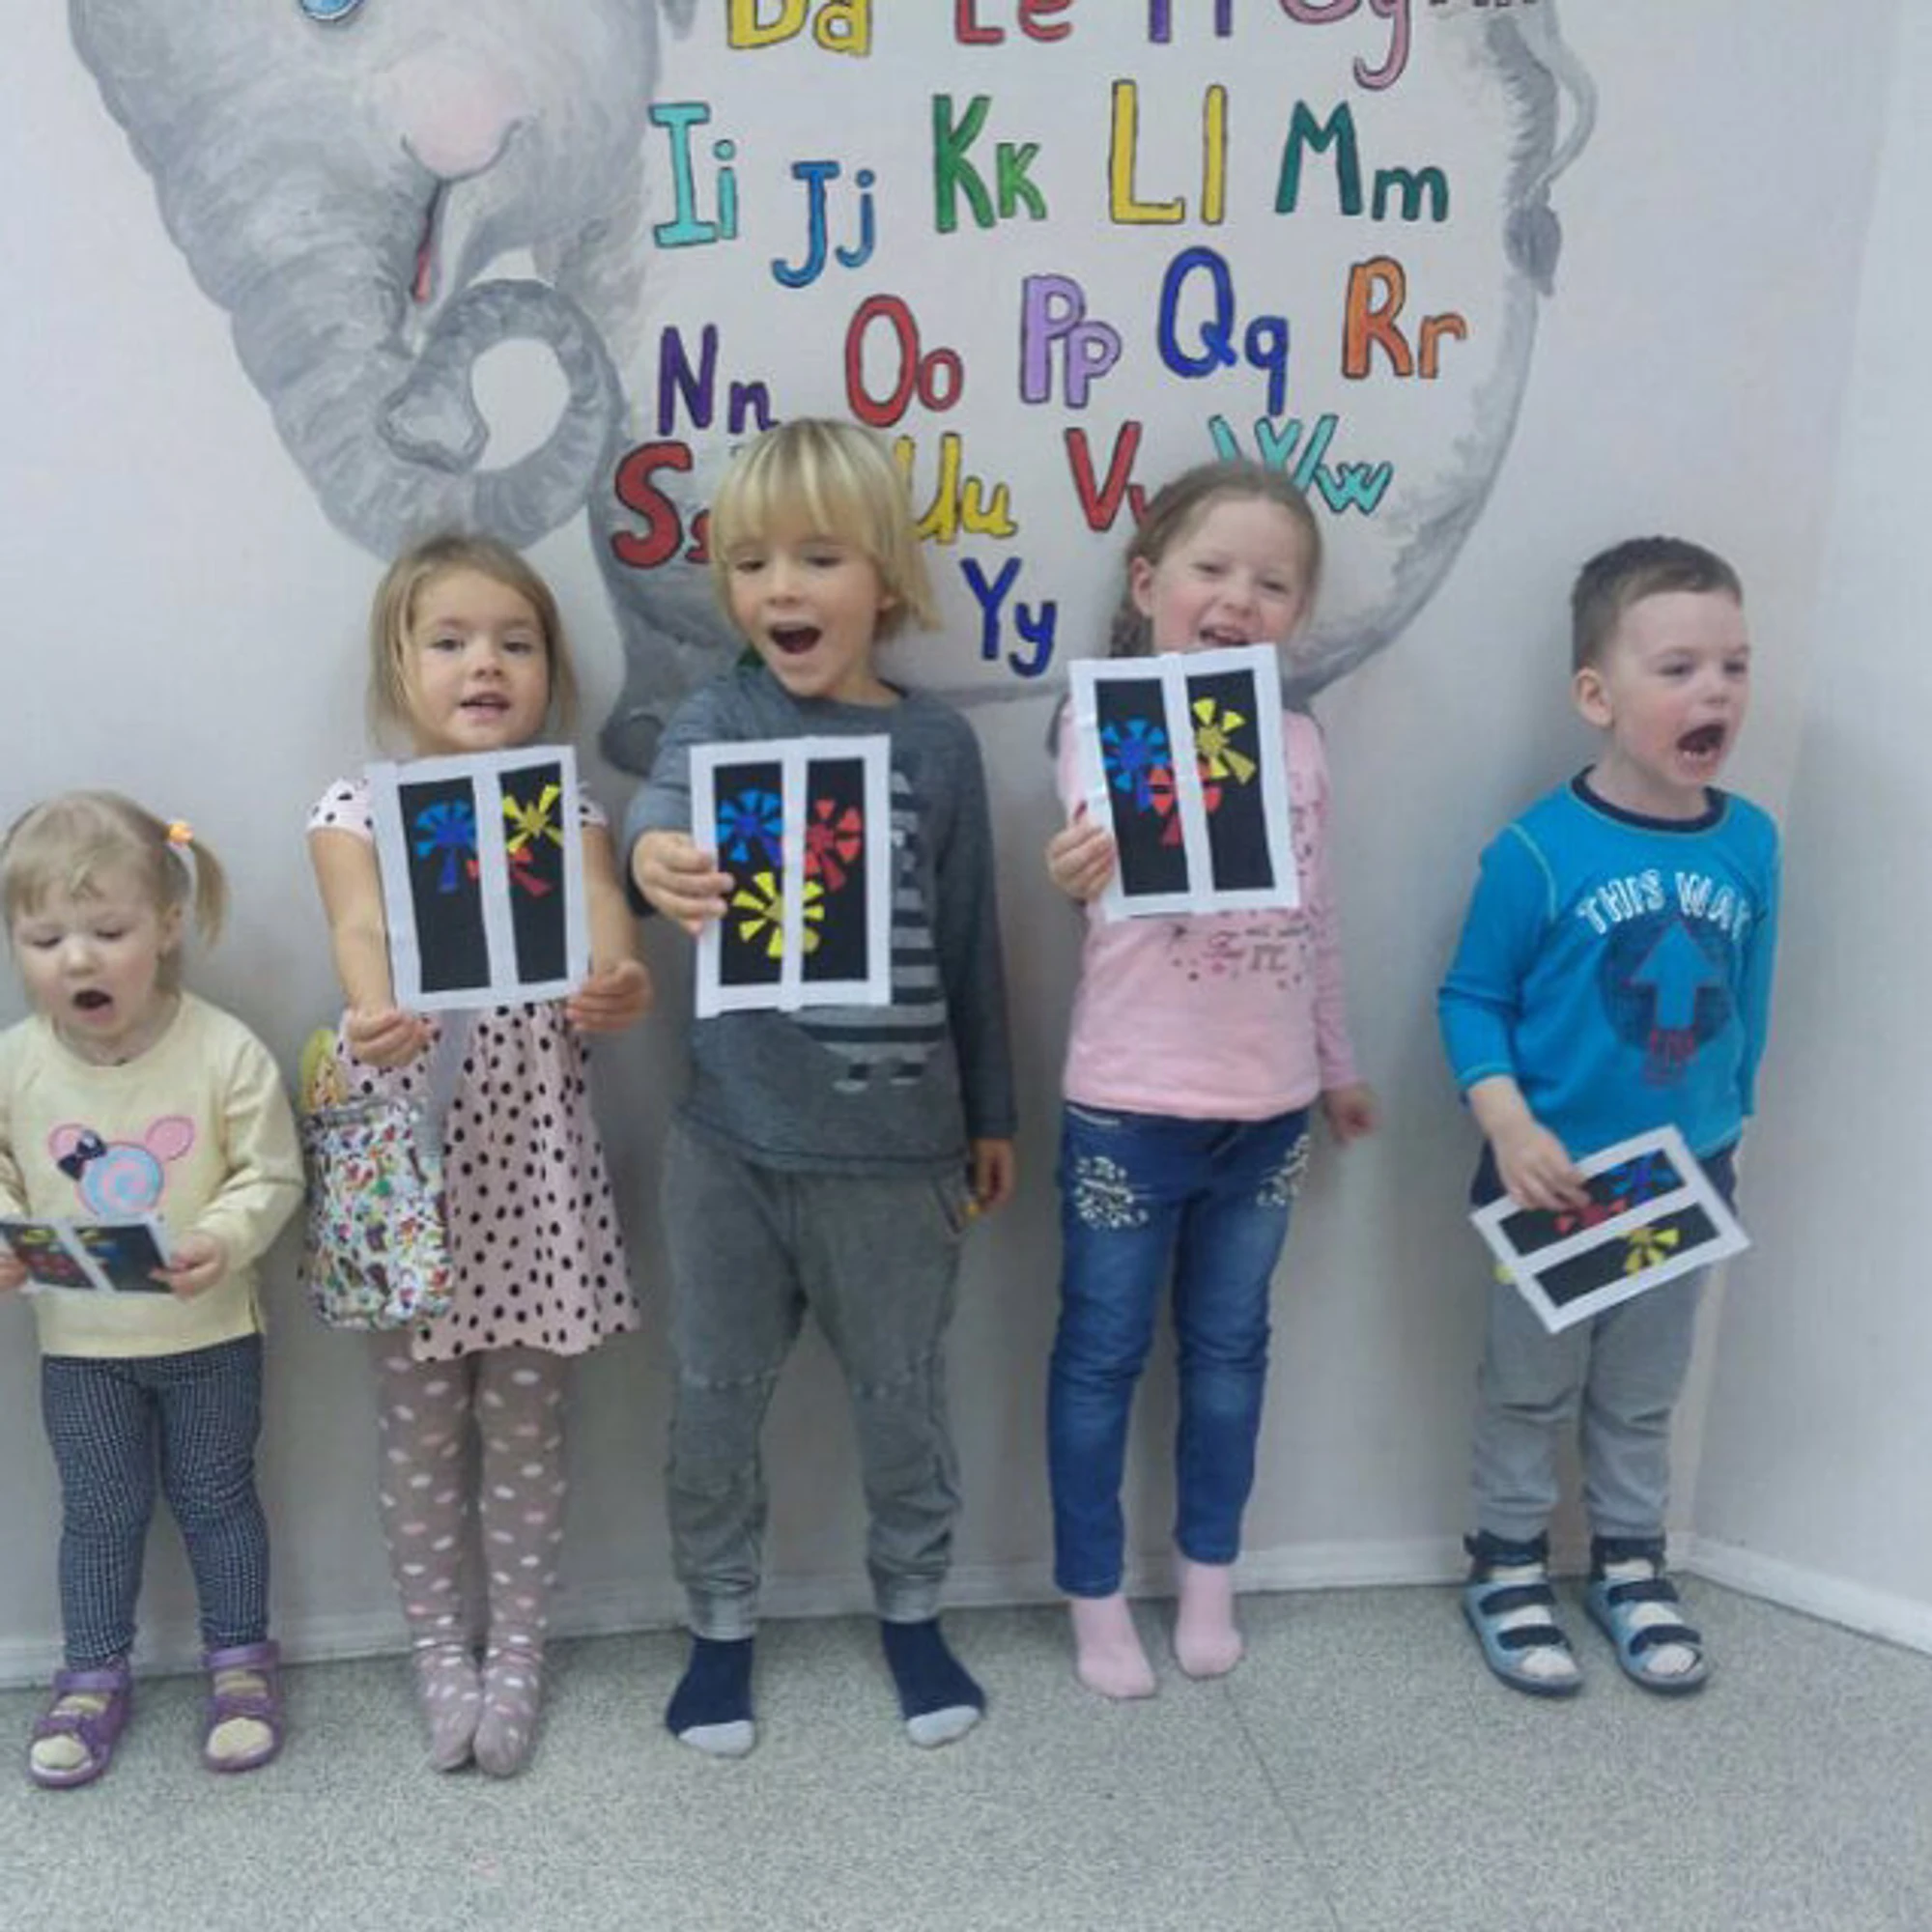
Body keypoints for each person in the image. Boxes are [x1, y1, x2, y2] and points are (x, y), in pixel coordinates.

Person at [627, 417, 1015, 1756]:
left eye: (816, 558)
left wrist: (993, 1113)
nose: (779, 590)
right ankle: (718, 1626)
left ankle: (912, 1610)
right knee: (712, 1400)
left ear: (885, 576)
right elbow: (657, 811)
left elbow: (971, 943)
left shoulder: (940, 748)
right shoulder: (718, 717)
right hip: (729, 1151)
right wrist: (655, 860)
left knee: (903, 1399)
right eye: (749, 564)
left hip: (902, 1160)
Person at [306, 532, 652, 1774]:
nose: (484, 664)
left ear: (549, 668)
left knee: (525, 1426)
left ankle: (517, 1649)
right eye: (449, 640)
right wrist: (370, 1004)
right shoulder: (354, 808)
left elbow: (605, 919)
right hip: (407, 1155)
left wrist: (619, 976)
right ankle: (433, 1647)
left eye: (514, 641)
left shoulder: (570, 808)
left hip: (532, 1164)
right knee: (415, 1430)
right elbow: (356, 918)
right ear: (399, 667)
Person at [1041, 460, 1376, 1698]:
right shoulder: (1100, 719)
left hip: (1268, 1110)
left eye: (1271, 583)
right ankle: (1091, 1594)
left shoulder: (1301, 743)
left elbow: (1318, 916)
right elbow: (1090, 846)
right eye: (1210, 569)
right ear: (1147, 585)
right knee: (1100, 1355)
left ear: (1298, 613)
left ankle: (1207, 1576)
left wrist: (1334, 1065)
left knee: (1231, 1352)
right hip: (1128, 1107)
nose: (1238, 597)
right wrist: (1074, 867)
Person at [1439, 535, 1777, 1697]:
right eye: (1677, 667)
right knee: (1526, 1385)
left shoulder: (1751, 841)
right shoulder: (1535, 851)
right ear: (1596, 694)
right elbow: (1469, 998)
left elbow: (1749, 999)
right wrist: (1507, 1125)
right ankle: (1504, 1558)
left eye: (1732, 666)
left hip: (1686, 1176)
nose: (1713, 691)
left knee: (1641, 1389)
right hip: (1553, 1183)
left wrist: (1728, 1127)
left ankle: (1630, 1560)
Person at [0, 794, 302, 1787]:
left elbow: (272, 1173)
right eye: (45, 939)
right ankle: (91, 1676)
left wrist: (223, 1236)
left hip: (211, 1336)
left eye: (107, 931)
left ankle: (241, 1663)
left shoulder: (223, 1050)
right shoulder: (15, 1061)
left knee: (219, 1500)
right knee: (97, 1512)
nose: (77, 959)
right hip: (80, 1349)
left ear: (167, 926)